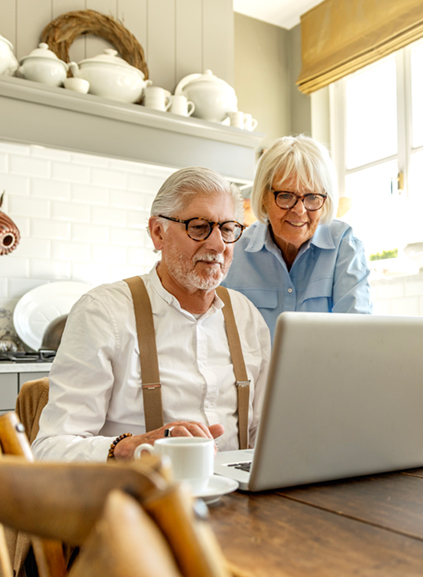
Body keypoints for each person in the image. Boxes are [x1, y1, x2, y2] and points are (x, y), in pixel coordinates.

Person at [32, 167, 271, 461]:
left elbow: (266, 433)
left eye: (227, 229)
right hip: (138, 500)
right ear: (158, 233)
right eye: (199, 226)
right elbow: (50, 449)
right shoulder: (103, 312)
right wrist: (132, 445)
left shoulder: (246, 316)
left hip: (240, 497)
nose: (218, 244)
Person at [223, 135, 372, 340]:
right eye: (285, 196)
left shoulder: (343, 245)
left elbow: (359, 334)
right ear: (264, 197)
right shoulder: (234, 253)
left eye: (312, 197)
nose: (300, 210)